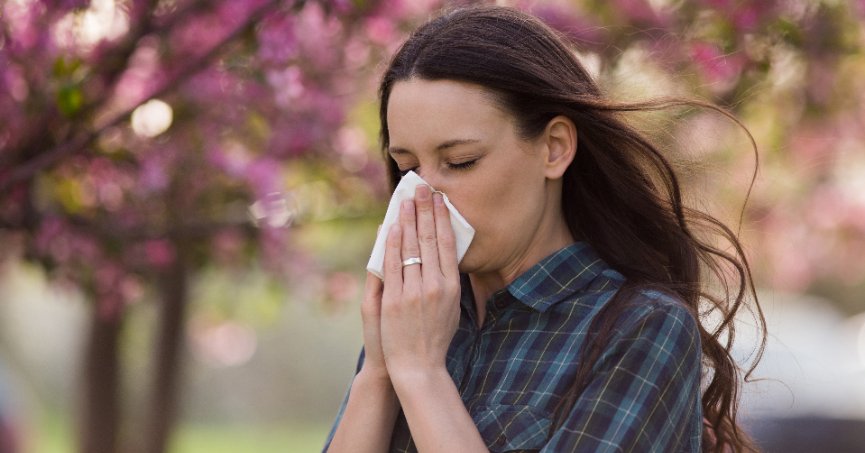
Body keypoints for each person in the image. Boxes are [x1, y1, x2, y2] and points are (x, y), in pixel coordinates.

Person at [323, 5, 765, 453]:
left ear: (554, 148)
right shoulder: (418, 321)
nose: (424, 197)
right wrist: (378, 371)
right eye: (409, 168)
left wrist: (421, 375)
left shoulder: (640, 327)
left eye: (461, 162)